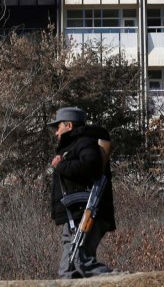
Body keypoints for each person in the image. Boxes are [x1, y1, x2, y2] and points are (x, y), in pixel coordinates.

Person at [48, 106, 116, 279]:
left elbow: (91, 166)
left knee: (81, 260)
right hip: (75, 215)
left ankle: (121, 280)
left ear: (69, 125)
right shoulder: (74, 145)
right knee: (68, 271)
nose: (56, 132)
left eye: (59, 126)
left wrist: (61, 165)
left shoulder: (84, 141)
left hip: (87, 213)